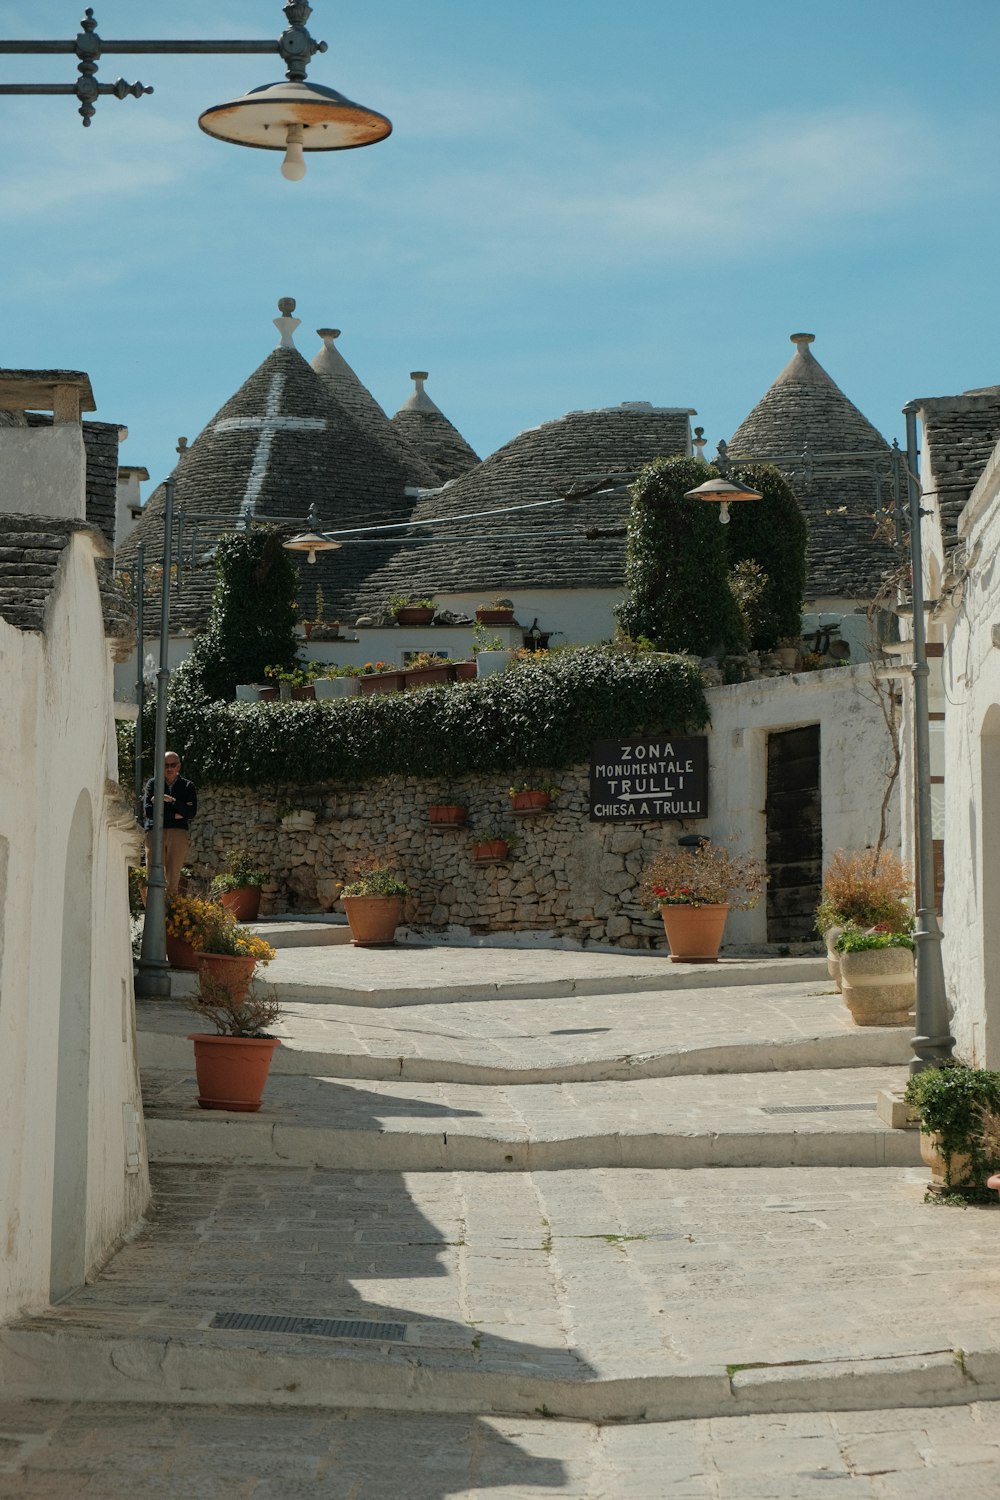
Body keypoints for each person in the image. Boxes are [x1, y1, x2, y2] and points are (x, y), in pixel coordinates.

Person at [143, 751, 197, 895]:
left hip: (178, 834)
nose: (169, 768)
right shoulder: (153, 784)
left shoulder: (187, 786)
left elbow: (190, 813)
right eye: (166, 765)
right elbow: (149, 812)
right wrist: (176, 814)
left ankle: (170, 915)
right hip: (154, 832)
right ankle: (152, 915)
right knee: (153, 875)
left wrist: (171, 800)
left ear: (178, 766)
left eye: (172, 765)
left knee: (173, 878)